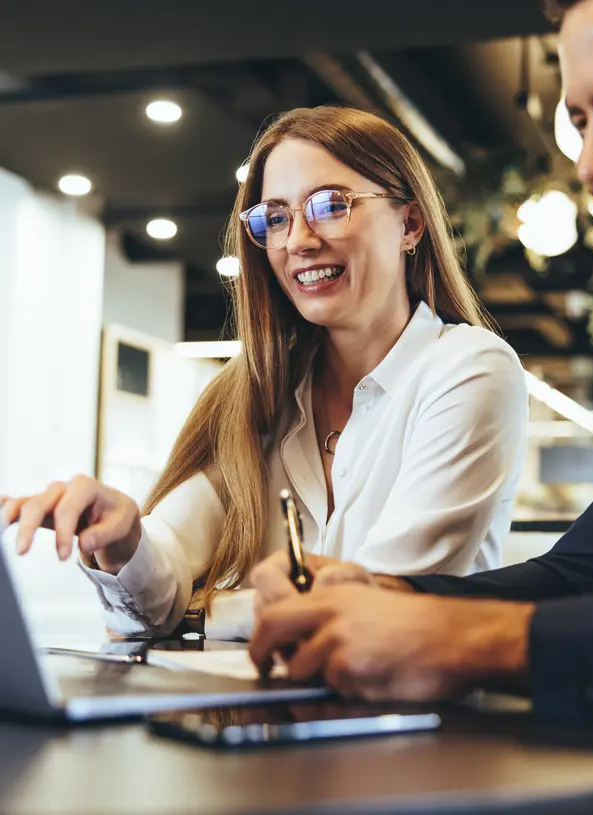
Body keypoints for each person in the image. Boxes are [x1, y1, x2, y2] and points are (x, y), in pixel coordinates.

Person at [249, 1, 593, 808]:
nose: (591, 162)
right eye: (581, 119)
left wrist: (492, 640)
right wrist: (396, 598)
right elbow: (592, 571)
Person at [0, 106, 528, 640]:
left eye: (329, 205)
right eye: (275, 217)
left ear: (410, 223)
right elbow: (161, 576)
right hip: (275, 718)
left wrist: (203, 614)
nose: (298, 239)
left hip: (424, 718)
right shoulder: (261, 394)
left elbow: (380, 601)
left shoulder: (470, 369)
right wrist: (124, 541)